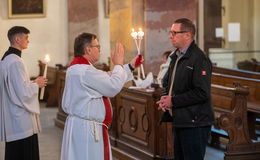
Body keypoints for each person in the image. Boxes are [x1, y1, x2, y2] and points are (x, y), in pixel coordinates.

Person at [60, 33, 140, 160]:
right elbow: (112, 86)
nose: (100, 49)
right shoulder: (85, 71)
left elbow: (106, 77)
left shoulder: (78, 68)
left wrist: (129, 66)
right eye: (98, 46)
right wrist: (118, 64)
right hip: (88, 130)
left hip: (81, 126)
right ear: (88, 49)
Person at [156, 18, 215, 160]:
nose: (170, 36)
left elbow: (202, 92)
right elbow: (169, 83)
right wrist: (166, 97)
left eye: (175, 33)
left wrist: (173, 101)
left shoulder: (199, 58)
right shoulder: (176, 56)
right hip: (181, 118)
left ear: (188, 35)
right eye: (171, 32)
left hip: (195, 122)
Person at [0, 26, 47, 160]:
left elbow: (17, 87)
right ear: (17, 39)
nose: (28, 41)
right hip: (20, 119)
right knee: (23, 153)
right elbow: (22, 93)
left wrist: (33, 83)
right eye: (26, 38)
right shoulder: (15, 61)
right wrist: (36, 84)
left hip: (14, 115)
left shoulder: (7, 58)